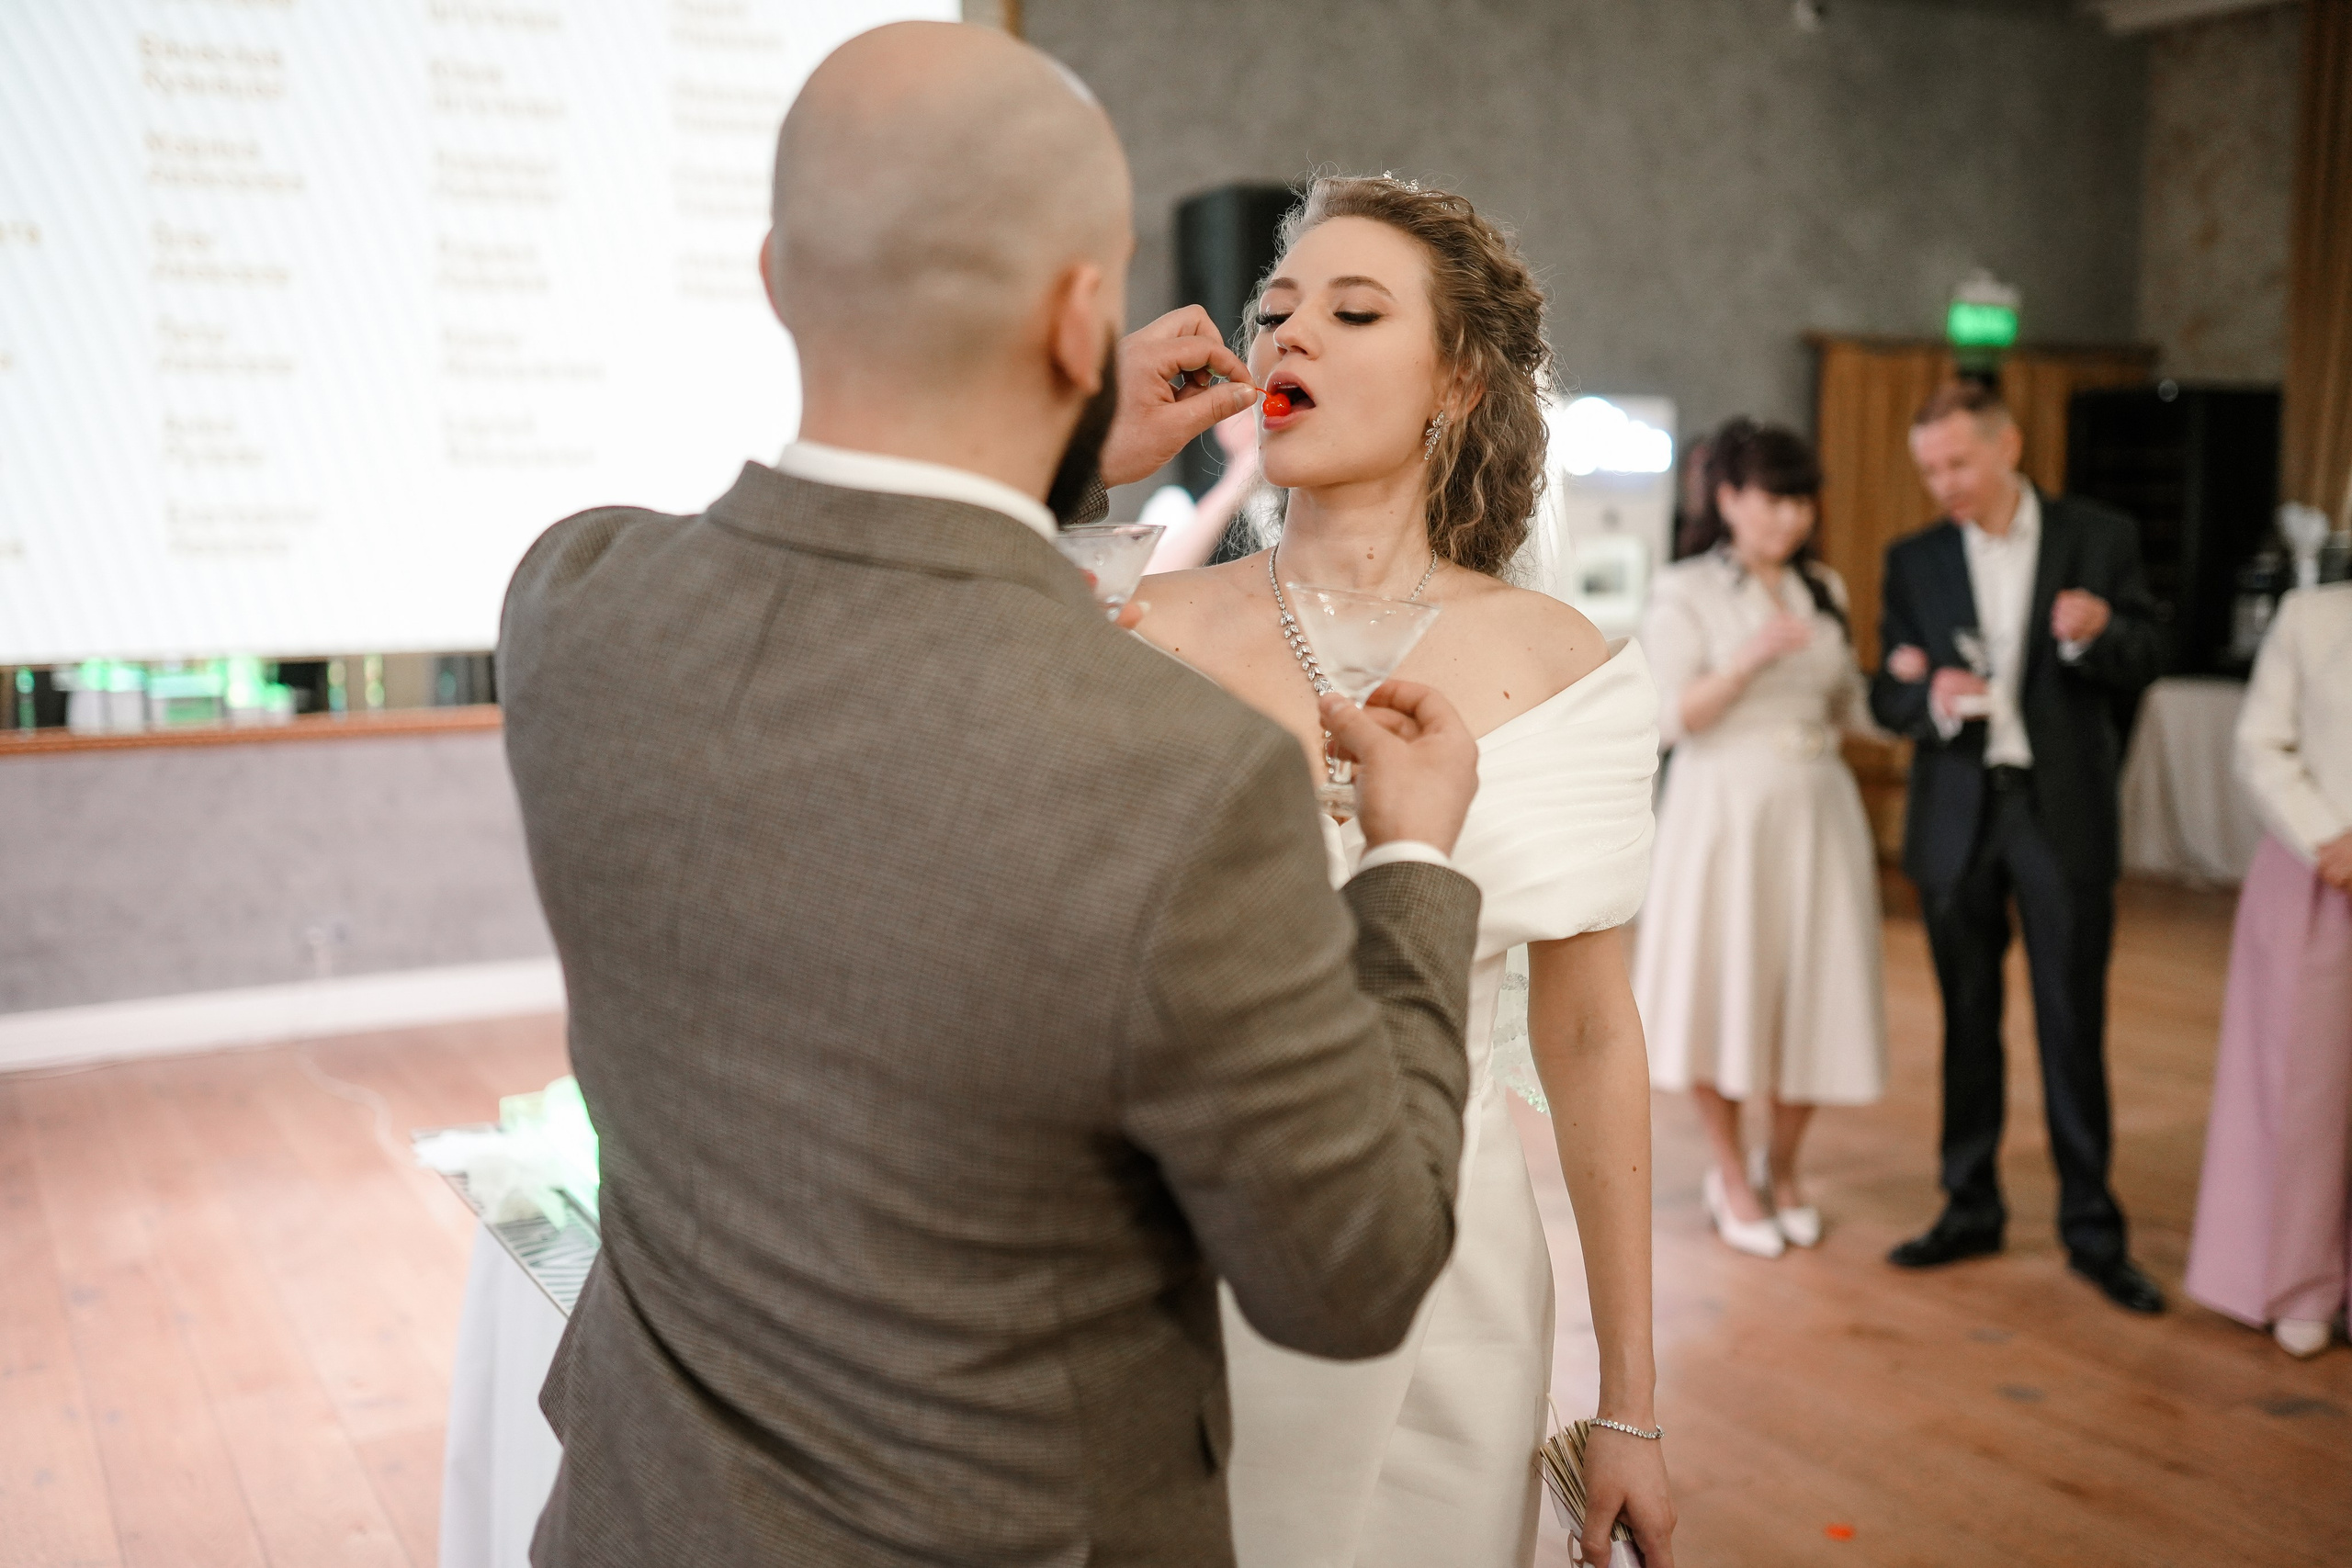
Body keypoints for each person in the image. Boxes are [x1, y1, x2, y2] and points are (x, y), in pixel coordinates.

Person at [499, 27, 1496, 1567]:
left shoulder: (574, 601)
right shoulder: (1176, 773)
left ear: (774, 278)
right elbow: (1350, 1276)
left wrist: (1056, 459)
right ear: (1081, 317)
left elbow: (867, 636)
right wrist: (1413, 860)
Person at [1137, 175, 1676, 1568]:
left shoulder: (1560, 665)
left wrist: (1629, 1402)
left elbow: (1589, 1032)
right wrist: (1085, 453)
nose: (1287, 334)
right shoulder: (1144, 625)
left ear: (1459, 381)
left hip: (1448, 1260)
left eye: (1354, 310)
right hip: (1169, 1252)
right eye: (1274, 310)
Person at [1871, 379, 2165, 1314]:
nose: (1943, 484)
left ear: (2008, 447)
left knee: (2072, 1024)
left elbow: (2149, 654)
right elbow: (1886, 692)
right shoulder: (1913, 558)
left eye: (1957, 463)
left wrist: (2100, 632)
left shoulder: (2100, 537)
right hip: (1957, 814)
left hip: (2059, 812)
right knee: (1966, 1022)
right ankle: (1970, 1207)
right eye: (1929, 470)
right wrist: (1927, 696)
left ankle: (2093, 1230)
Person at [1635, 419, 1887, 1260]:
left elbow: (1848, 704)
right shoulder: (1685, 589)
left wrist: (1919, 695)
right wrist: (1745, 660)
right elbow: (1668, 719)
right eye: (1772, 499)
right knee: (1724, 986)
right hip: (1724, 814)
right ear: (1730, 499)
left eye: (1801, 501)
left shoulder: (1826, 588)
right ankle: (1728, 1172)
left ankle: (1780, 1164)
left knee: (1816, 985)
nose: (1789, 517)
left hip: (1819, 810)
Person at [2185, 580, 2352, 1357]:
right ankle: (2300, 1283)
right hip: (2321, 872)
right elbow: (2260, 743)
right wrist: (2325, 837)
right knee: (2303, 1088)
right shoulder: (2312, 615)